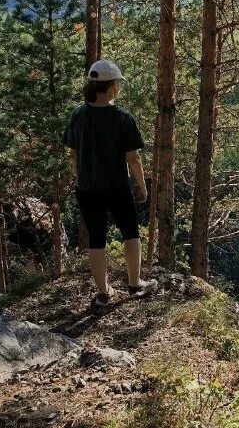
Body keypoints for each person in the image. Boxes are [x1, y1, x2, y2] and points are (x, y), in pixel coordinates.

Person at [63, 59, 158, 307]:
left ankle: (103, 293)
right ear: (113, 86)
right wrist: (142, 186)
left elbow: (72, 153)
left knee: (96, 239)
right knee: (130, 232)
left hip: (87, 189)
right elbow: (133, 158)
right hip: (116, 186)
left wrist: (79, 175)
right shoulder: (122, 118)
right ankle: (135, 284)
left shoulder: (77, 115)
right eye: (118, 83)